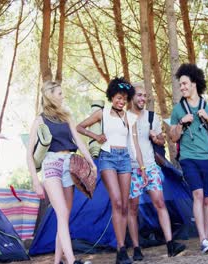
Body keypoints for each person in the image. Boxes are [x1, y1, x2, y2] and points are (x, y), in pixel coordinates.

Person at [27, 81, 96, 264]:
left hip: (69, 164)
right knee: (62, 212)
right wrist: (35, 180)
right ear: (50, 95)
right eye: (59, 94)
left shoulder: (66, 116)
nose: (62, 96)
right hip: (51, 164)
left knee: (63, 217)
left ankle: (58, 262)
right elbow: (29, 153)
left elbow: (79, 141)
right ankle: (72, 261)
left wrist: (91, 162)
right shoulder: (39, 120)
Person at [76, 77, 135, 264]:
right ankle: (121, 248)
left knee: (125, 205)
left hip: (124, 159)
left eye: (124, 98)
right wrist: (95, 136)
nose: (121, 101)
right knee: (116, 202)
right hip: (108, 158)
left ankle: (121, 251)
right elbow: (79, 127)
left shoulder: (128, 116)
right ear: (112, 96)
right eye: (118, 97)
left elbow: (131, 142)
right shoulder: (102, 113)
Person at [126, 82, 186, 261]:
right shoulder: (125, 117)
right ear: (131, 97)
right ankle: (136, 248)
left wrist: (157, 137)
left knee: (160, 203)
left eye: (145, 95)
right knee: (133, 208)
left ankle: (170, 244)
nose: (143, 98)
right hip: (131, 169)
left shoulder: (152, 117)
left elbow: (161, 141)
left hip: (151, 166)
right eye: (139, 95)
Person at [169, 63, 208, 253]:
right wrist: (181, 124)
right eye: (180, 85)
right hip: (188, 158)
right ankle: (203, 239)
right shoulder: (177, 110)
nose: (182, 87)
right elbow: (173, 136)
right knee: (198, 195)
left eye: (184, 84)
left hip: (206, 157)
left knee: (206, 198)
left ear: (194, 84)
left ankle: (206, 237)